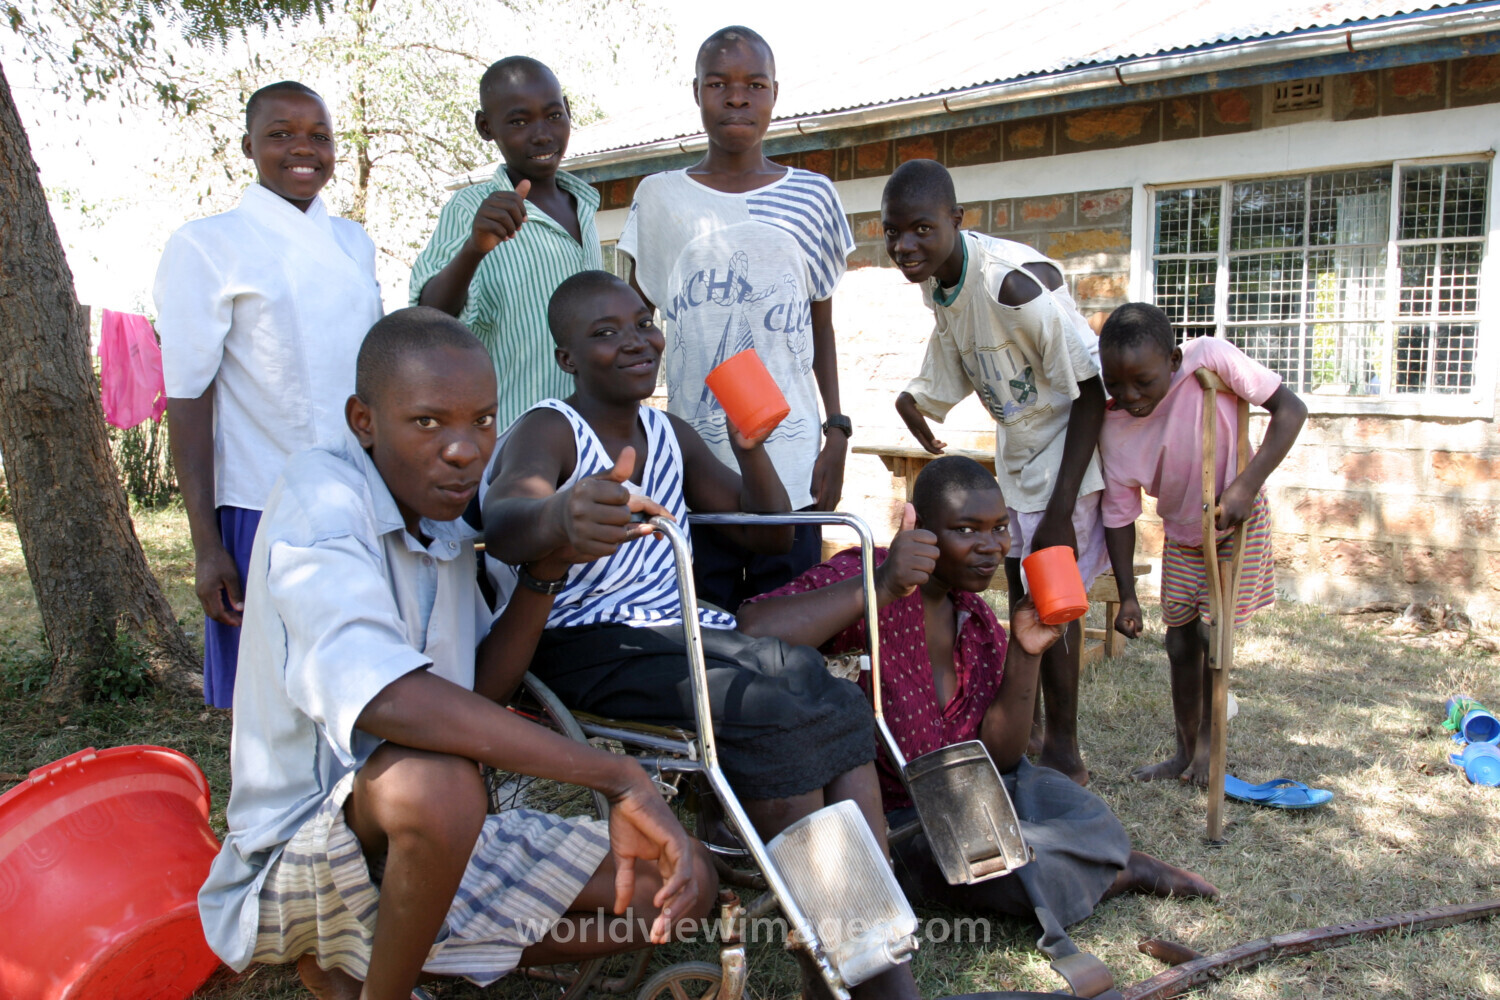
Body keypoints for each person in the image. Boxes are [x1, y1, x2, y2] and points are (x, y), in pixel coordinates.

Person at [198, 308, 714, 1000]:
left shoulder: (437, 510)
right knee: (436, 785)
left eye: (482, 421)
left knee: (681, 885)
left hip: (438, 846)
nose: (465, 450)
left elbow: (481, 693)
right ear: (364, 421)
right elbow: (390, 699)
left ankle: (383, 955)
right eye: (428, 423)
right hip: (303, 857)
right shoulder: (321, 503)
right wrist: (616, 774)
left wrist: (548, 564)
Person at [485, 270, 919, 1000]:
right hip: (593, 640)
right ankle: (840, 960)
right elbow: (501, 521)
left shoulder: (669, 432)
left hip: (687, 630)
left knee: (830, 694)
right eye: (605, 332)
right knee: (776, 708)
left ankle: (868, 948)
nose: (635, 340)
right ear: (566, 358)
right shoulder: (550, 428)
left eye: (642, 322)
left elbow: (769, 539)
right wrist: (559, 516)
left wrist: (752, 446)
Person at [737, 456, 1217, 964]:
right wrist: (879, 587)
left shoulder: (979, 620)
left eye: (999, 528)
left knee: (1077, 806)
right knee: (1002, 868)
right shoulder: (867, 570)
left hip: (971, 796)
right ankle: (1120, 872)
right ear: (919, 527)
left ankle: (1104, 861)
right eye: (967, 530)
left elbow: (1002, 759)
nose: (991, 548)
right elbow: (752, 629)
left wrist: (1026, 652)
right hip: (899, 822)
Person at [155, 81, 384, 708]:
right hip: (263, 502)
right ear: (248, 145)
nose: (302, 149)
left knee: (357, 689)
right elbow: (189, 396)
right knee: (272, 701)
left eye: (319, 135)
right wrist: (207, 545)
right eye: (281, 133)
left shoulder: (353, 243)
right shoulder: (207, 245)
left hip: (360, 492)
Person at [616, 25, 855, 612]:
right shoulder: (660, 198)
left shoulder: (813, 197)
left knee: (789, 635)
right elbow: (631, 327)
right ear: (696, 92)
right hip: (697, 468)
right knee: (704, 632)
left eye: (754, 84)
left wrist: (837, 432)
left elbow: (819, 326)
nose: (737, 97)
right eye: (719, 83)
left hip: (793, 464)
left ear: (775, 94)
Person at [884, 158, 1104, 785]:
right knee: (1016, 588)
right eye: (894, 231)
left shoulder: (1009, 285)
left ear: (956, 220)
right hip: (1019, 451)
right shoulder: (938, 282)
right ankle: (1025, 723)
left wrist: (1062, 509)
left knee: (1053, 599)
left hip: (1069, 452)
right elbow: (956, 348)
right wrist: (917, 402)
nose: (905, 246)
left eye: (922, 229)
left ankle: (1063, 748)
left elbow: (1090, 391)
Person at [1097, 303, 1307, 785]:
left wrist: (1245, 486)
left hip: (1237, 522)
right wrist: (1127, 595)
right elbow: (1119, 517)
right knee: (1179, 642)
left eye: (1143, 382)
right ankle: (1184, 749)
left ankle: (1212, 747)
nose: (1129, 396)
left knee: (1216, 638)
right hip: (1184, 537)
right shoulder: (1114, 429)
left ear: (1173, 360)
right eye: (1115, 384)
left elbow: (1290, 410)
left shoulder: (1209, 358)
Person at [411, 56, 600, 431]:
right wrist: (473, 249)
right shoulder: (473, 208)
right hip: (516, 439)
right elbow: (430, 319)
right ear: (486, 126)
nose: (542, 134)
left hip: (591, 433)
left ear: (568, 112)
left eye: (553, 115)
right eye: (518, 121)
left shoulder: (585, 204)